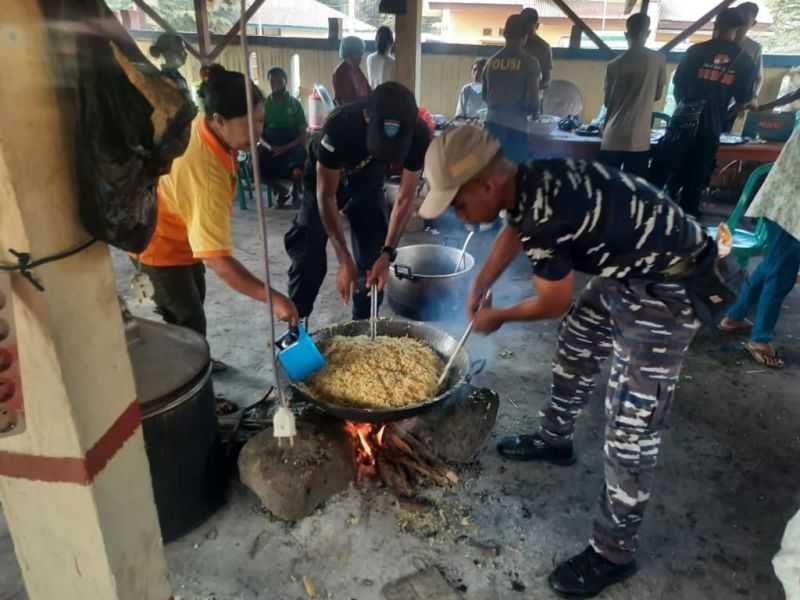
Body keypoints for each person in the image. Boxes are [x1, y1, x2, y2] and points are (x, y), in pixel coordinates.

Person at [419, 124, 711, 598]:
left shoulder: (544, 212)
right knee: (580, 334)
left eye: (457, 201)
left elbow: (552, 301)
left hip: (668, 282)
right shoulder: (528, 179)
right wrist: (479, 284)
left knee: (631, 420)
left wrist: (498, 318)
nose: (457, 212)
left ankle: (613, 552)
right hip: (629, 267)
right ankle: (555, 440)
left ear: (486, 184)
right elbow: (514, 228)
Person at [135, 65, 298, 367]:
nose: (259, 131)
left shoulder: (208, 124)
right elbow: (218, 261)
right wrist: (274, 298)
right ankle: (193, 389)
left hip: (181, 229)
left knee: (194, 300)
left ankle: (200, 359)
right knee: (186, 322)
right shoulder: (207, 175)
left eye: (261, 121)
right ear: (219, 120)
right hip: (159, 243)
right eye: (251, 124)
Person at [284, 82, 430, 321]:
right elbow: (327, 195)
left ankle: (363, 327)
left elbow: (404, 198)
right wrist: (343, 259)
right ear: (366, 118)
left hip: (368, 180)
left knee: (373, 258)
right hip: (324, 181)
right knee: (308, 254)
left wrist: (387, 254)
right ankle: (296, 326)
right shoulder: (340, 126)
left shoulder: (419, 134)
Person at [652, 8, 757, 217]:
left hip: (683, 122)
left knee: (671, 166)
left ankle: (662, 213)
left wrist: (688, 107)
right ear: (737, 30)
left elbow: (678, 84)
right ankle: (688, 221)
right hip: (712, 126)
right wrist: (722, 114)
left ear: (716, 25)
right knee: (697, 175)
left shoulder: (695, 51)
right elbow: (744, 99)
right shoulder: (745, 61)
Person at [719, 127, 800, 369]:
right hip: (790, 208)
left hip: (783, 202)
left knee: (771, 266)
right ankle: (760, 339)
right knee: (781, 276)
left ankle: (734, 316)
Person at [600, 13, 666, 179]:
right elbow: (657, 95)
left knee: (608, 186)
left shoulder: (613, 65)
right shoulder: (658, 59)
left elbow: (608, 103)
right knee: (634, 189)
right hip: (638, 138)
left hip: (612, 136)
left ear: (626, 35)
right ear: (648, 33)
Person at [482, 14, 540, 163]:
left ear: (505, 34)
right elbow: (533, 102)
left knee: (490, 171)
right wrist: (535, 115)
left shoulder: (491, 62)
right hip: (516, 128)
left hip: (492, 125)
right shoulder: (530, 62)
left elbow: (484, 96)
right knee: (513, 177)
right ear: (525, 36)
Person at [257, 66, 307, 208]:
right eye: (272, 81)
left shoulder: (295, 104)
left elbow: (303, 134)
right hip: (271, 145)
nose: (275, 84)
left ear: (285, 81)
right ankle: (281, 190)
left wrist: (285, 148)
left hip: (291, 145)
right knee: (254, 165)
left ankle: (296, 193)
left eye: (278, 80)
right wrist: (270, 146)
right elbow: (258, 134)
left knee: (298, 165)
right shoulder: (264, 104)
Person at [520, 8, 553, 96]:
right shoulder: (514, 43)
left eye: (529, 28)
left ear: (537, 26)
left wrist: (531, 90)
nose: (525, 31)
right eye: (523, 26)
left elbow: (547, 80)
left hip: (532, 97)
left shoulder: (543, 47)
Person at [149, 32, 191, 100]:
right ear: (169, 53)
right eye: (181, 50)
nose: (186, 54)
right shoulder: (168, 79)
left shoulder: (172, 76)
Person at [332, 36, 371, 105]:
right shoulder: (339, 72)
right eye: (358, 54)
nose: (360, 58)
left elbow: (368, 90)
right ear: (349, 53)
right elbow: (342, 100)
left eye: (361, 54)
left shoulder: (357, 69)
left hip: (362, 106)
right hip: (351, 110)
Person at [736, 2, 764, 95]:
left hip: (739, 99)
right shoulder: (721, 43)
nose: (740, 24)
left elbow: (758, 78)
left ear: (753, 23)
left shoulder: (755, 48)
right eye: (738, 19)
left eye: (745, 21)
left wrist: (754, 97)